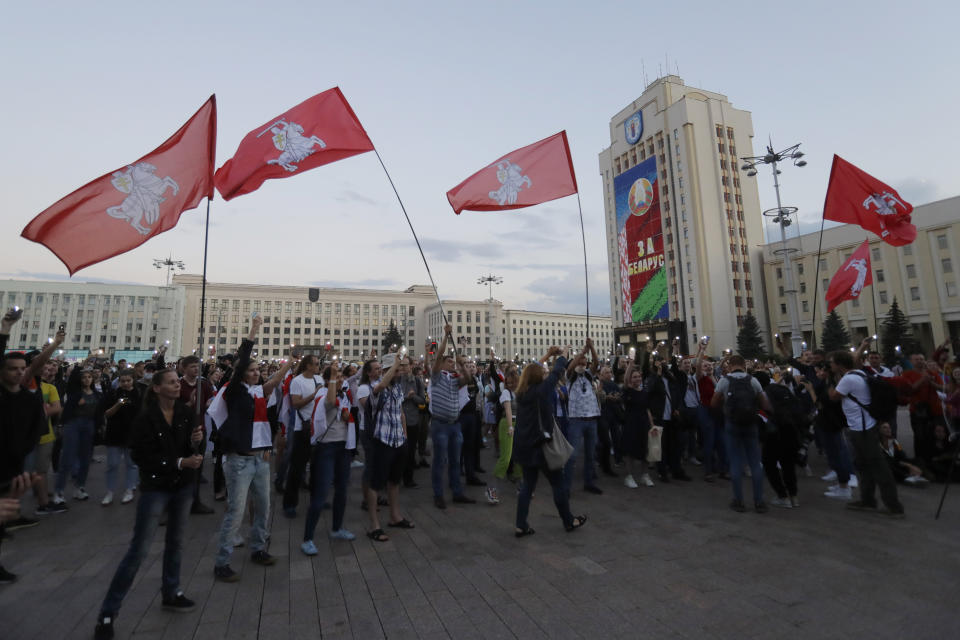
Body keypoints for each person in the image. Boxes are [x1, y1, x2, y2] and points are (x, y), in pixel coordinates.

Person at [93, 369, 204, 639]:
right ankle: (108, 612)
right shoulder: (146, 419)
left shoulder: (186, 413)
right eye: (171, 382)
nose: (178, 385)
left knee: (176, 543)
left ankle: (172, 591)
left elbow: (188, 450)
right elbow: (143, 456)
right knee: (139, 550)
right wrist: (179, 461)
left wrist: (194, 443)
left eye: (178, 382)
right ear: (156, 388)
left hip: (182, 486)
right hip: (156, 488)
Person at [210, 317, 295, 582]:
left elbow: (273, 382)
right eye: (251, 370)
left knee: (263, 507)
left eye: (258, 370)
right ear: (241, 373)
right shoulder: (234, 391)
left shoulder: (258, 391)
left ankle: (258, 548)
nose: (256, 373)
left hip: (260, 458)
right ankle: (222, 562)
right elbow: (242, 361)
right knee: (235, 512)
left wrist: (289, 363)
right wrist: (254, 332)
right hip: (239, 460)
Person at [513, 346, 586, 536]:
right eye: (542, 373)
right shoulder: (541, 391)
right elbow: (557, 371)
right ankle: (568, 520)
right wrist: (562, 355)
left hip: (524, 446)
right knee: (558, 483)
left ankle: (521, 524)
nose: (546, 374)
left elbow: (532, 369)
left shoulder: (521, 393)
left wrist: (546, 356)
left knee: (528, 486)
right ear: (538, 377)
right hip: (541, 446)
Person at [828, 350, 905, 517]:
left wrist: (827, 382)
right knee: (863, 466)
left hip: (863, 429)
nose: (830, 365)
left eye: (832, 363)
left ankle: (894, 506)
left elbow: (833, 397)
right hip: (860, 426)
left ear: (840, 365)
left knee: (878, 466)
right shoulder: (859, 374)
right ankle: (867, 500)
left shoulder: (848, 379)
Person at [301, 364, 357, 555]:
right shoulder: (323, 394)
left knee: (341, 490)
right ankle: (307, 538)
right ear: (327, 380)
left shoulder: (344, 396)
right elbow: (329, 402)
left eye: (342, 376)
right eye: (336, 376)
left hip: (343, 447)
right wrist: (333, 378)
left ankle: (337, 528)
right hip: (326, 448)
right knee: (321, 494)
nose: (341, 379)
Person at [364, 352, 415, 542]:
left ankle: (395, 516)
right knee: (376, 483)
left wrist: (405, 436)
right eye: (397, 369)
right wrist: (394, 365)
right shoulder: (376, 388)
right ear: (387, 370)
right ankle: (374, 525)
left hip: (398, 441)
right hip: (382, 441)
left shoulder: (397, 388)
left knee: (394, 481)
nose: (401, 371)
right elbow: (381, 385)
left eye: (401, 368)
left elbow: (400, 412)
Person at [711, 355, 769, 513]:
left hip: (732, 423)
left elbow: (713, 403)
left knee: (735, 462)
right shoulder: (752, 380)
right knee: (755, 463)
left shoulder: (724, 380)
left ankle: (738, 500)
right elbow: (765, 403)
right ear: (744, 365)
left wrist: (726, 405)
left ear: (730, 366)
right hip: (751, 424)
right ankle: (759, 501)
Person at [428, 325, 476, 509]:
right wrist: (446, 337)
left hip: (455, 425)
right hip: (440, 424)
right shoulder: (436, 378)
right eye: (447, 362)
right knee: (440, 461)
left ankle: (457, 492)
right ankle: (438, 494)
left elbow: (468, 379)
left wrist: (462, 363)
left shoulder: (455, 380)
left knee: (455, 460)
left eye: (451, 362)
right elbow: (438, 357)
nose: (449, 364)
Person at [54, 355, 103, 504]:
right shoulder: (75, 392)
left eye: (89, 377)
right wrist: (85, 362)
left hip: (89, 425)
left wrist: (99, 426)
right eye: (84, 377)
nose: (87, 379)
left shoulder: (97, 394)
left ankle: (80, 487)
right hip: (73, 424)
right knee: (67, 459)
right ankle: (59, 492)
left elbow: (99, 413)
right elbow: (75, 375)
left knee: (86, 459)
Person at [283, 355, 324, 517]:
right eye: (315, 363)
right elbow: (296, 403)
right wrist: (314, 395)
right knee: (297, 467)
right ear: (307, 366)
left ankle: (317, 499)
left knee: (318, 467)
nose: (318, 366)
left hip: (317, 428)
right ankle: (290, 503)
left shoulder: (319, 378)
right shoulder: (297, 381)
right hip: (302, 428)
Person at [564, 338, 604, 494]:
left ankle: (589, 482)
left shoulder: (588, 375)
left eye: (584, 362)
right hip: (576, 420)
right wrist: (581, 352)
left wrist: (591, 347)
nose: (582, 364)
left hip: (592, 419)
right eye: (580, 362)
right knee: (572, 456)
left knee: (590, 454)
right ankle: (566, 487)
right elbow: (571, 366)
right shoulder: (570, 376)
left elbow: (596, 362)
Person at [178, 355, 216, 515]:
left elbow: (209, 401)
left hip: (199, 430)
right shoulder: (179, 385)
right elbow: (174, 410)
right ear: (184, 368)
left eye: (197, 366)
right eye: (192, 366)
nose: (196, 369)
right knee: (182, 468)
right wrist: (189, 404)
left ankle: (195, 501)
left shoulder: (204, 385)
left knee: (197, 469)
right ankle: (176, 504)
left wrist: (209, 404)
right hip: (182, 431)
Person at [100, 370, 141, 506]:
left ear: (133, 380)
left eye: (128, 380)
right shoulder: (112, 394)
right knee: (112, 464)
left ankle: (129, 490)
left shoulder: (139, 393)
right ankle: (110, 492)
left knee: (132, 464)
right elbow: (106, 414)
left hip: (132, 434)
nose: (125, 383)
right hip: (114, 433)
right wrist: (118, 404)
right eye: (122, 381)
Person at [488, 367, 520, 505]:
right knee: (506, 459)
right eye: (508, 383)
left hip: (519, 424)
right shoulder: (506, 393)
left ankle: (521, 487)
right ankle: (492, 489)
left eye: (513, 382)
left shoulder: (520, 393)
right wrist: (510, 426)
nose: (510, 385)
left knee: (520, 457)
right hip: (507, 424)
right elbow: (507, 410)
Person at [620, 359, 655, 488]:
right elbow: (625, 380)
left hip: (644, 423)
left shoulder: (644, 392)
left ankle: (644, 475)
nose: (637, 379)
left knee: (645, 450)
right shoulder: (628, 391)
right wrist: (630, 365)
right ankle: (629, 476)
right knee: (630, 452)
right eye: (634, 377)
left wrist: (652, 426)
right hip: (631, 424)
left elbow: (647, 409)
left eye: (639, 376)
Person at [399, 358, 426, 488]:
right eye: (401, 365)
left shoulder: (417, 381)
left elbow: (422, 401)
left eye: (405, 365)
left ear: (410, 366)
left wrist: (413, 396)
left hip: (412, 420)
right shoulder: (396, 380)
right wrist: (406, 396)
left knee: (410, 451)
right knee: (398, 452)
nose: (402, 368)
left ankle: (408, 479)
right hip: (398, 421)